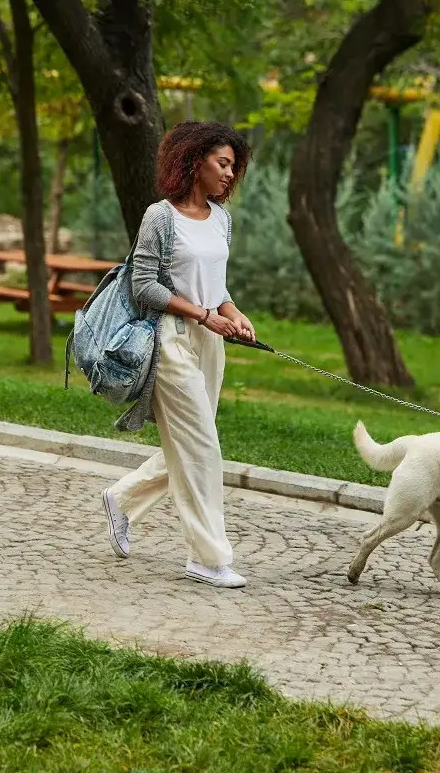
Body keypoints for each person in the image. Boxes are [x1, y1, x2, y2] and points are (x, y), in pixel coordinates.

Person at [100, 121, 256, 588]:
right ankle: (207, 558)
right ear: (194, 160)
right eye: (222, 164)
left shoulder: (221, 219)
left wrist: (233, 313)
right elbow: (143, 285)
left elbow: (216, 286)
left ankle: (122, 498)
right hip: (171, 339)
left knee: (191, 441)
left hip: (210, 341)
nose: (229, 174)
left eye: (233, 167)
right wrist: (203, 314)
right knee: (203, 447)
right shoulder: (160, 216)